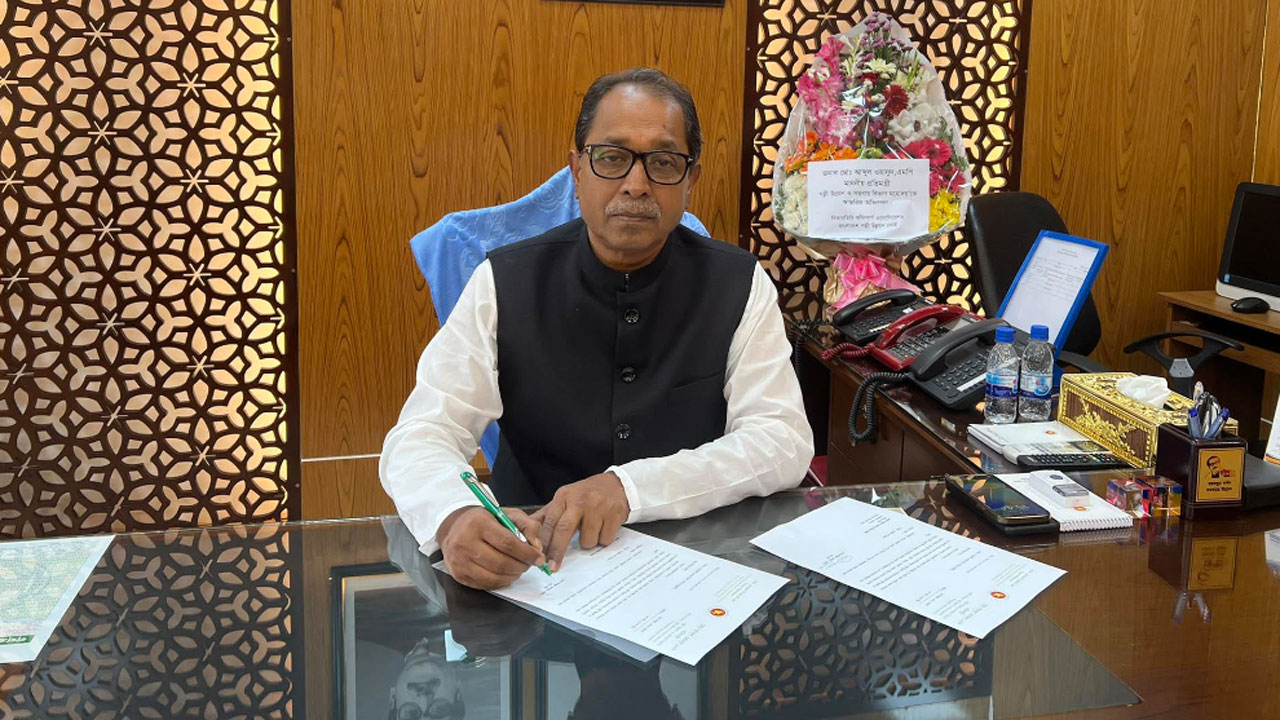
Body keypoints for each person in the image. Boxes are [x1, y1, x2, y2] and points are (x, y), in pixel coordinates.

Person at [380, 67, 814, 590]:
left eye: (663, 162)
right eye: (611, 157)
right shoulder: (503, 279)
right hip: (534, 569)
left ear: (690, 180)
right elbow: (423, 432)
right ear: (577, 170)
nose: (636, 184)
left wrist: (630, 488)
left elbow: (782, 440)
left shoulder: (738, 282)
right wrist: (453, 514)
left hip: (691, 565)